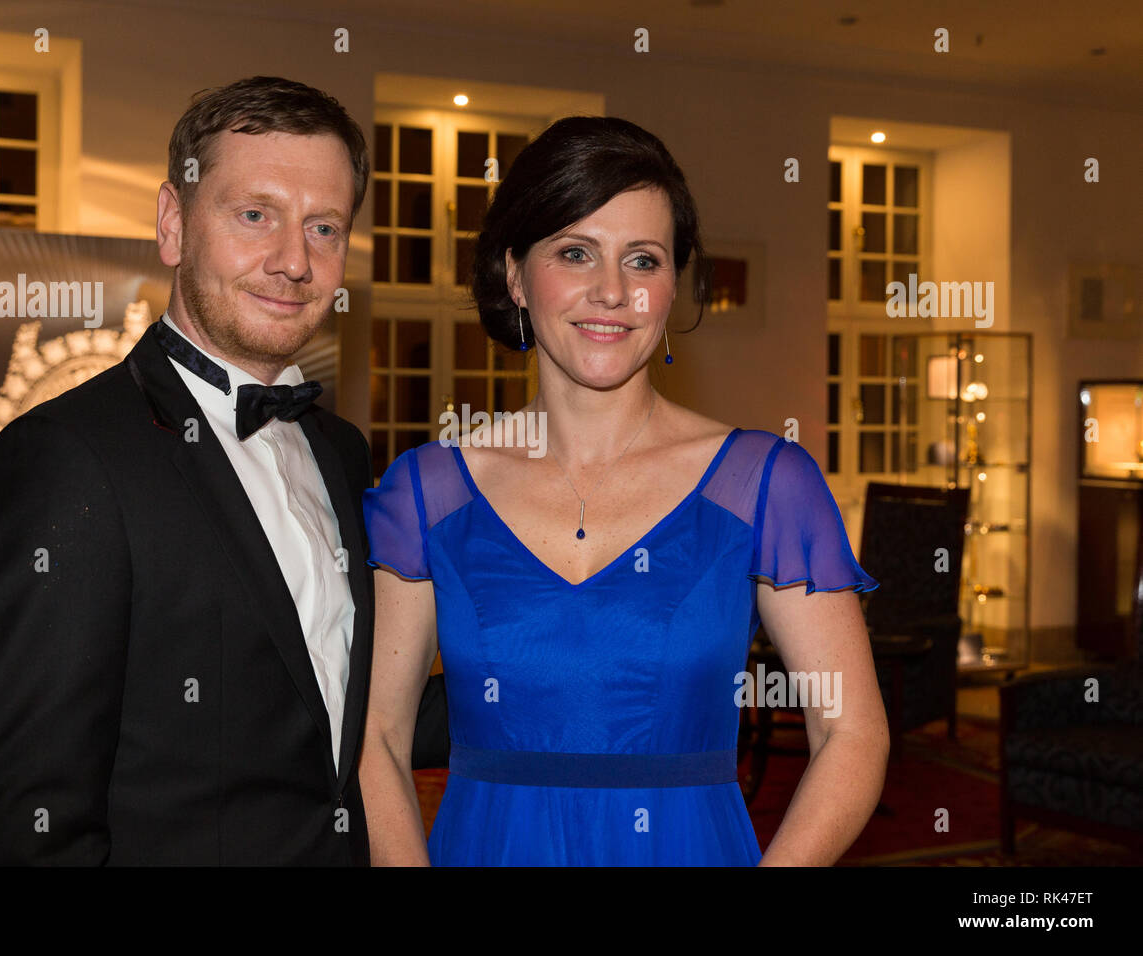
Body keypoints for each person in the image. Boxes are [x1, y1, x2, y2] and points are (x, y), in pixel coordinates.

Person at [357, 116, 890, 866]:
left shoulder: (765, 486)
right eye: (575, 253)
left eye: (643, 260)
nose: (612, 291)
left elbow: (851, 732)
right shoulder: (427, 494)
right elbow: (377, 736)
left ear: (673, 286)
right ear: (514, 275)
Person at [0, 76, 446, 866]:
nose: (294, 261)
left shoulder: (340, 450)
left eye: (325, 227)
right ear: (174, 224)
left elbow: (333, 700)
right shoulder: (66, 460)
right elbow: (26, 821)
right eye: (256, 215)